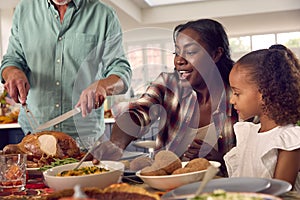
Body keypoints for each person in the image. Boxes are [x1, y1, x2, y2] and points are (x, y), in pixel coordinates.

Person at [93, 19, 238, 175]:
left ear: (216, 54)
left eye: (190, 52)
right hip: (165, 188)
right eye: (177, 53)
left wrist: (223, 159)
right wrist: (116, 143)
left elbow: (258, 153)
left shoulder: (239, 95)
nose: (179, 60)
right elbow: (137, 112)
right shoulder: (169, 84)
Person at [0, 0, 132, 144]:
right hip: (34, 140)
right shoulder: (24, 10)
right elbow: (12, 60)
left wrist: (103, 86)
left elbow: (121, 70)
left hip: (85, 141)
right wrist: (13, 72)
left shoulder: (104, 15)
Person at [224, 44, 300, 191]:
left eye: (237, 93)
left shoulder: (289, 140)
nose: (232, 100)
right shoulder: (247, 133)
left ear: (263, 94)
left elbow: (279, 193)